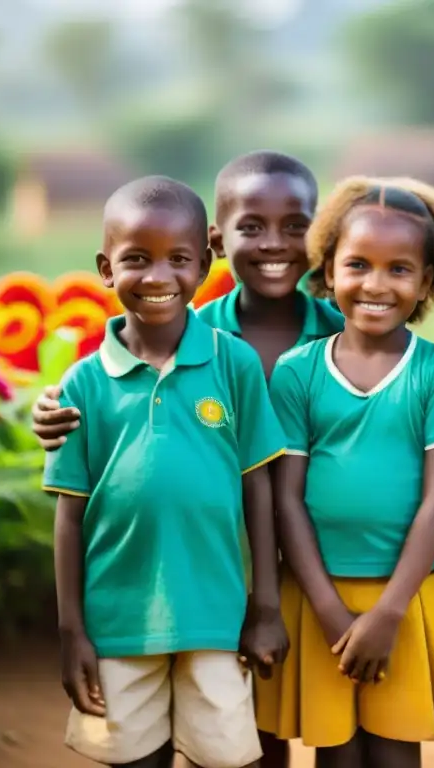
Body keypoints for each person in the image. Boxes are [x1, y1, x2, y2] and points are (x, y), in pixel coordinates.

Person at [31, 151, 341, 768]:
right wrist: (71, 634)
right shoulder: (88, 381)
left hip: (237, 600)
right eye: (136, 259)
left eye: (177, 260)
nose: (157, 276)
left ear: (202, 261)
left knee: (244, 745)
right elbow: (70, 511)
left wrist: (264, 607)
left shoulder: (307, 342)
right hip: (125, 617)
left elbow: (258, 485)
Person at [257, 177, 434, 768]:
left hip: (405, 595)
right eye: (358, 265)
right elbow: (288, 501)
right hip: (318, 594)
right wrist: (330, 612)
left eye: (399, 269)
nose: (376, 284)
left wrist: (388, 613)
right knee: (337, 756)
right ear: (327, 271)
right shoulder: (297, 373)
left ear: (427, 281)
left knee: (395, 753)